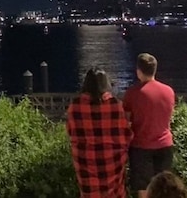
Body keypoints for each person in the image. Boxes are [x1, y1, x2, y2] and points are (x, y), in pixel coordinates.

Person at [66, 67, 133, 197]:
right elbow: (126, 133)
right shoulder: (115, 105)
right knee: (115, 192)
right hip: (112, 160)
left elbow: (70, 131)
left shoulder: (76, 105)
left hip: (86, 159)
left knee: (89, 191)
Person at [122, 53, 175, 198]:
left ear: (139, 71)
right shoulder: (168, 91)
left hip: (141, 147)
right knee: (164, 189)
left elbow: (125, 121)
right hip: (165, 145)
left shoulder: (132, 94)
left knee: (144, 189)